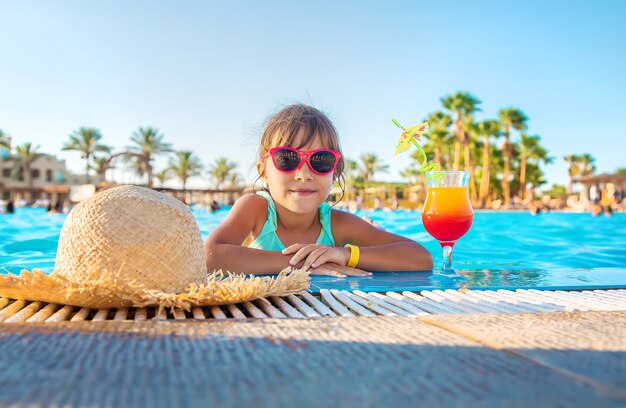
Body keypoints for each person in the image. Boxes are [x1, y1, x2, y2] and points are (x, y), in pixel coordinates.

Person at [204, 104, 433, 277]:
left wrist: (345, 255)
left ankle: (372, 227)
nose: (303, 174)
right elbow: (209, 256)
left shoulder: (336, 224)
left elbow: (421, 258)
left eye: (321, 160)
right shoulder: (256, 209)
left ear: (334, 173)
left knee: (372, 233)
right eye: (287, 158)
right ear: (263, 172)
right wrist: (307, 264)